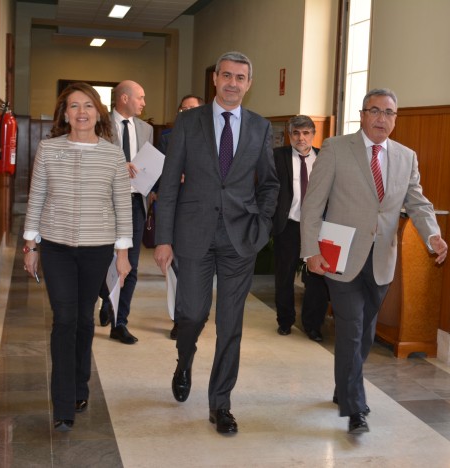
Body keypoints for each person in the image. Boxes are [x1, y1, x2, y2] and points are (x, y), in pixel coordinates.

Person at [300, 88, 448, 435]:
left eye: (389, 113)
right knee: (351, 329)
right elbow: (312, 204)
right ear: (362, 115)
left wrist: (433, 235)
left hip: (382, 258)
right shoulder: (337, 148)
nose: (382, 119)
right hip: (341, 257)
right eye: (375, 111)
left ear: (396, 119)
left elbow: (418, 203)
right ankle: (355, 408)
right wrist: (311, 251)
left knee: (365, 335)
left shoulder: (405, 156)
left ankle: (344, 387)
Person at [154, 51, 279, 435]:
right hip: (193, 235)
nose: (232, 83)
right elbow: (169, 182)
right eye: (226, 75)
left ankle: (220, 404)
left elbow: (271, 183)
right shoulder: (189, 122)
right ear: (215, 79)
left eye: (240, 77)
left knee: (231, 324)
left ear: (248, 83)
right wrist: (163, 239)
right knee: (191, 314)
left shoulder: (260, 127)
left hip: (240, 240)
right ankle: (184, 358)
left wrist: (261, 226)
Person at [22, 82, 132, 432]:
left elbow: (122, 206)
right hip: (55, 246)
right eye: (73, 106)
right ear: (64, 114)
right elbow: (36, 197)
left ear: (98, 112)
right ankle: (64, 404)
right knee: (64, 318)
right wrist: (30, 245)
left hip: (98, 247)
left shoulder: (113, 154)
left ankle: (80, 385)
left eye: (88, 105)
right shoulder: (48, 149)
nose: (81, 112)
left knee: (85, 319)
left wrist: (123, 253)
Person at [97, 80, 155, 345]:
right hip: (105, 204)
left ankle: (120, 322)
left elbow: (147, 165)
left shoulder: (146, 129)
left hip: (135, 203)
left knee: (129, 266)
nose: (144, 103)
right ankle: (106, 297)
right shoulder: (100, 124)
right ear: (123, 98)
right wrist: (119, 165)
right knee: (101, 262)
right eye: (140, 97)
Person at [272, 115, 328, 341]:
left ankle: (313, 325)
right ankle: (285, 321)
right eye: (296, 133)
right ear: (290, 135)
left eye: (306, 133)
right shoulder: (277, 157)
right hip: (289, 226)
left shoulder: (325, 158)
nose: (301, 138)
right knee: (284, 276)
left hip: (317, 228)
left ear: (313, 135)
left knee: (317, 278)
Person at [157, 94, 205, 341]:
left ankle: (195, 314)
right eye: (182, 108)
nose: (186, 112)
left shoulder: (213, 136)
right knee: (176, 269)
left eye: (192, 108)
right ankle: (178, 318)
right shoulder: (166, 138)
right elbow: (159, 173)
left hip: (203, 213)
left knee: (196, 270)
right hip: (176, 210)